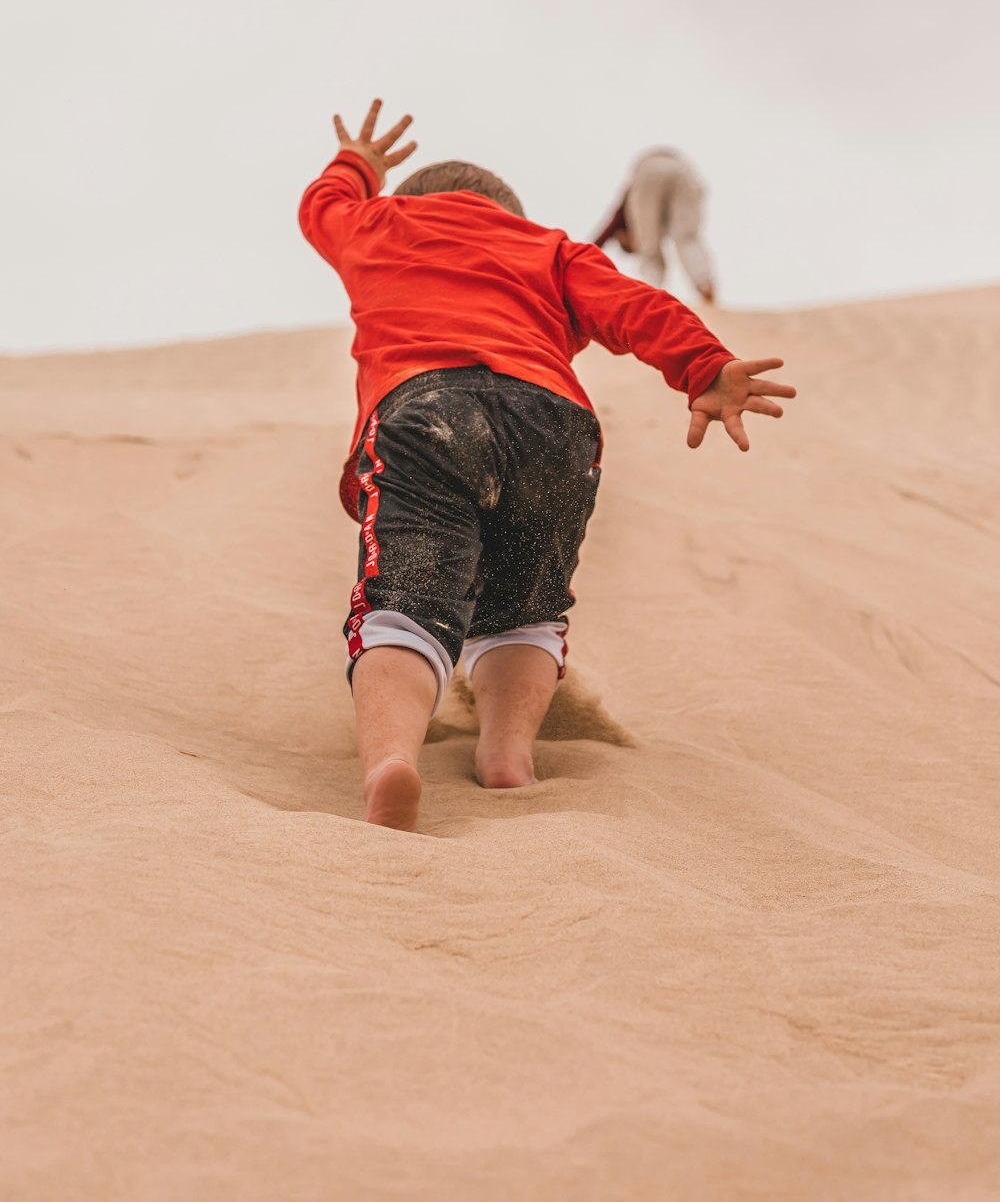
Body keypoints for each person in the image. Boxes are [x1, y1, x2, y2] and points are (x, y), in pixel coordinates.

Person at [299, 100, 795, 832]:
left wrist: (358, 166)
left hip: (427, 411)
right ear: (510, 213)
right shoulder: (549, 249)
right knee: (526, 609)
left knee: (406, 601)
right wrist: (704, 365)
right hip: (553, 423)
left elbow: (322, 209)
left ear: (411, 202)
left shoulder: (380, 224)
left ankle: (390, 763)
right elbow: (634, 306)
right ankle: (506, 758)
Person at [595, 147, 717, 303]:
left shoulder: (622, 221)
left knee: (649, 249)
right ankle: (704, 283)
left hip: (648, 169)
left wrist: (585, 251)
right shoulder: (635, 216)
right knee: (687, 238)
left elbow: (608, 227)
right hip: (682, 169)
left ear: (624, 236)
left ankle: (651, 294)